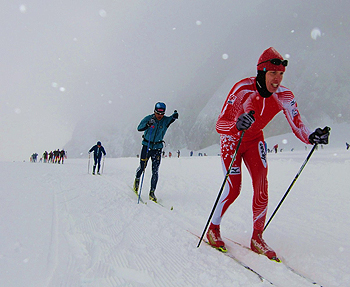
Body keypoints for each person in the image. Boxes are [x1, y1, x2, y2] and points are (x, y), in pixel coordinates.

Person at [207, 47, 330, 261]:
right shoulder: (242, 89)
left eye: (281, 74)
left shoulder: (284, 95)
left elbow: (298, 124)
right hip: (232, 141)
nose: (277, 79)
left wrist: (312, 136)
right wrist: (237, 124)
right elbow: (220, 124)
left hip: (254, 140)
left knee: (262, 184)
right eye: (273, 73)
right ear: (262, 73)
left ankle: (257, 237)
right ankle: (213, 228)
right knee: (234, 188)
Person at [133, 102, 178, 202]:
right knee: (142, 166)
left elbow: (171, 119)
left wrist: (174, 116)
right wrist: (148, 124)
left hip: (157, 148)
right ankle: (137, 180)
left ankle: (152, 192)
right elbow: (139, 128)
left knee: (155, 171)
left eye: (162, 114)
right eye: (158, 113)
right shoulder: (149, 118)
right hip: (147, 146)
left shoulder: (165, 120)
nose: (160, 116)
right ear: (154, 111)